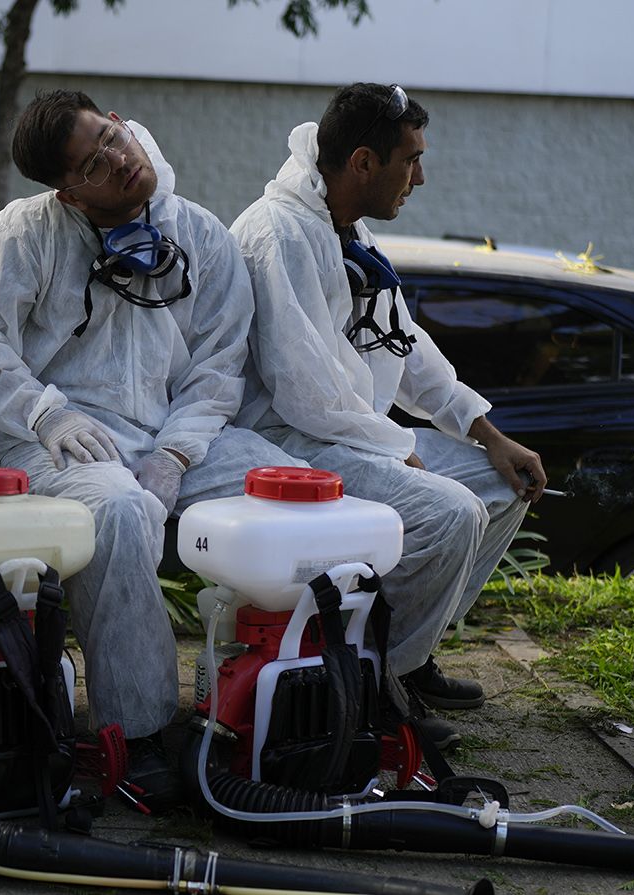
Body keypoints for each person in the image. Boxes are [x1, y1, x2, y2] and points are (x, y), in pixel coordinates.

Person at [0, 90, 301, 808]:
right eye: (95, 162)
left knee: (293, 488)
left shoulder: (200, 234)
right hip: (57, 441)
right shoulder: (22, 234)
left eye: (115, 136)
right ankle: (134, 739)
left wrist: (179, 454)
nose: (122, 158)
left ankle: (272, 702)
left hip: (172, 434)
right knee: (124, 513)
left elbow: (218, 368)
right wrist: (44, 412)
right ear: (67, 192)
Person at [229, 83, 546, 748]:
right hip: (289, 446)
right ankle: (375, 692)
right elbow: (300, 388)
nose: (421, 176)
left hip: (352, 437)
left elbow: (406, 345)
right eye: (412, 160)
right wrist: (391, 446)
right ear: (365, 162)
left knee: (504, 485)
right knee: (451, 511)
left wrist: (487, 435)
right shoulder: (276, 234)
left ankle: (405, 658)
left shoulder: (348, 227)